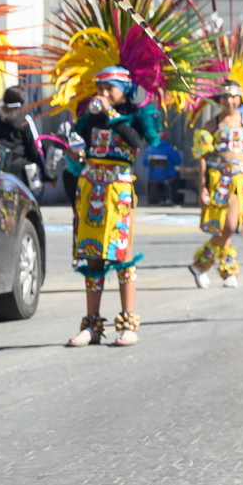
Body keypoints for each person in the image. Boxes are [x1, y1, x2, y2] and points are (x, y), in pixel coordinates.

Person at [67, 66, 158, 347]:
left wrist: (113, 115)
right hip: (91, 188)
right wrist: (75, 151)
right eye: (100, 88)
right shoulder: (91, 117)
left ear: (125, 89)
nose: (104, 94)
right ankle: (92, 324)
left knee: (121, 256)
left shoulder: (133, 116)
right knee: (93, 256)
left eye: (110, 89)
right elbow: (78, 139)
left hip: (118, 192)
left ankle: (128, 323)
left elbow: (137, 142)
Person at [188, 82, 243, 288]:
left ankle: (204, 265)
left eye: (234, 96)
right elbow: (202, 157)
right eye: (225, 97)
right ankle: (226, 270)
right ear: (219, 100)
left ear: (240, 98)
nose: (230, 101)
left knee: (230, 226)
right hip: (218, 178)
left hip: (241, 179)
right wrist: (203, 186)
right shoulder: (212, 123)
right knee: (226, 226)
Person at [0, 86, 44, 191]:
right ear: (22, 102)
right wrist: (46, 176)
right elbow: (35, 149)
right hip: (20, 177)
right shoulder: (25, 120)